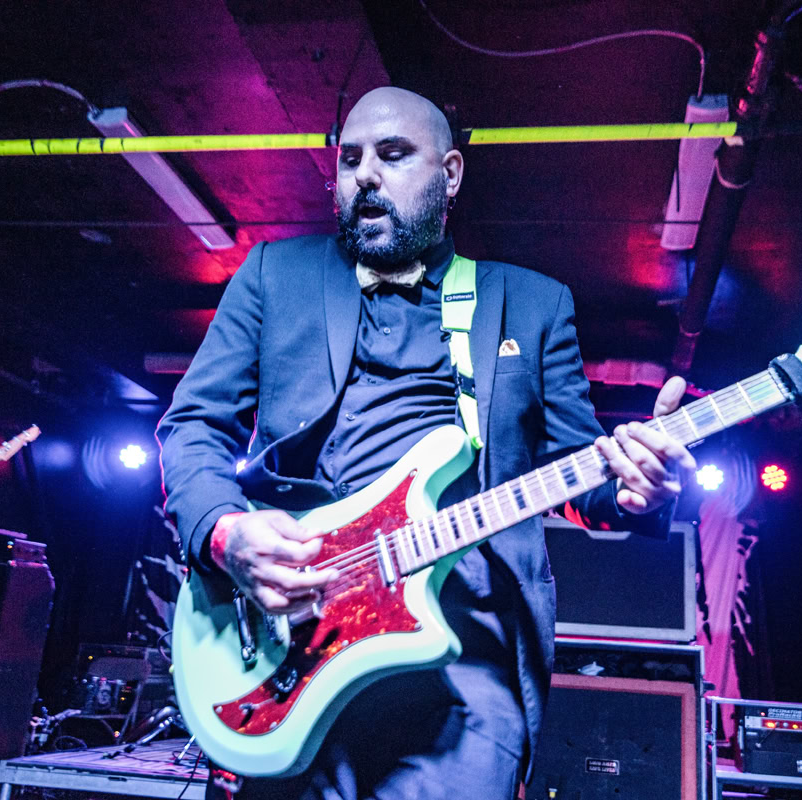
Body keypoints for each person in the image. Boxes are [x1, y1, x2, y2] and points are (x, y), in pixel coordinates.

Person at [157, 86, 696, 799]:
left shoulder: (532, 304)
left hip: (464, 659)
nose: (365, 175)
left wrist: (632, 490)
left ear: (450, 174)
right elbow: (193, 425)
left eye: (392, 154)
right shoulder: (274, 276)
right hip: (298, 633)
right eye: (350, 159)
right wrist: (225, 532)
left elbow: (581, 470)